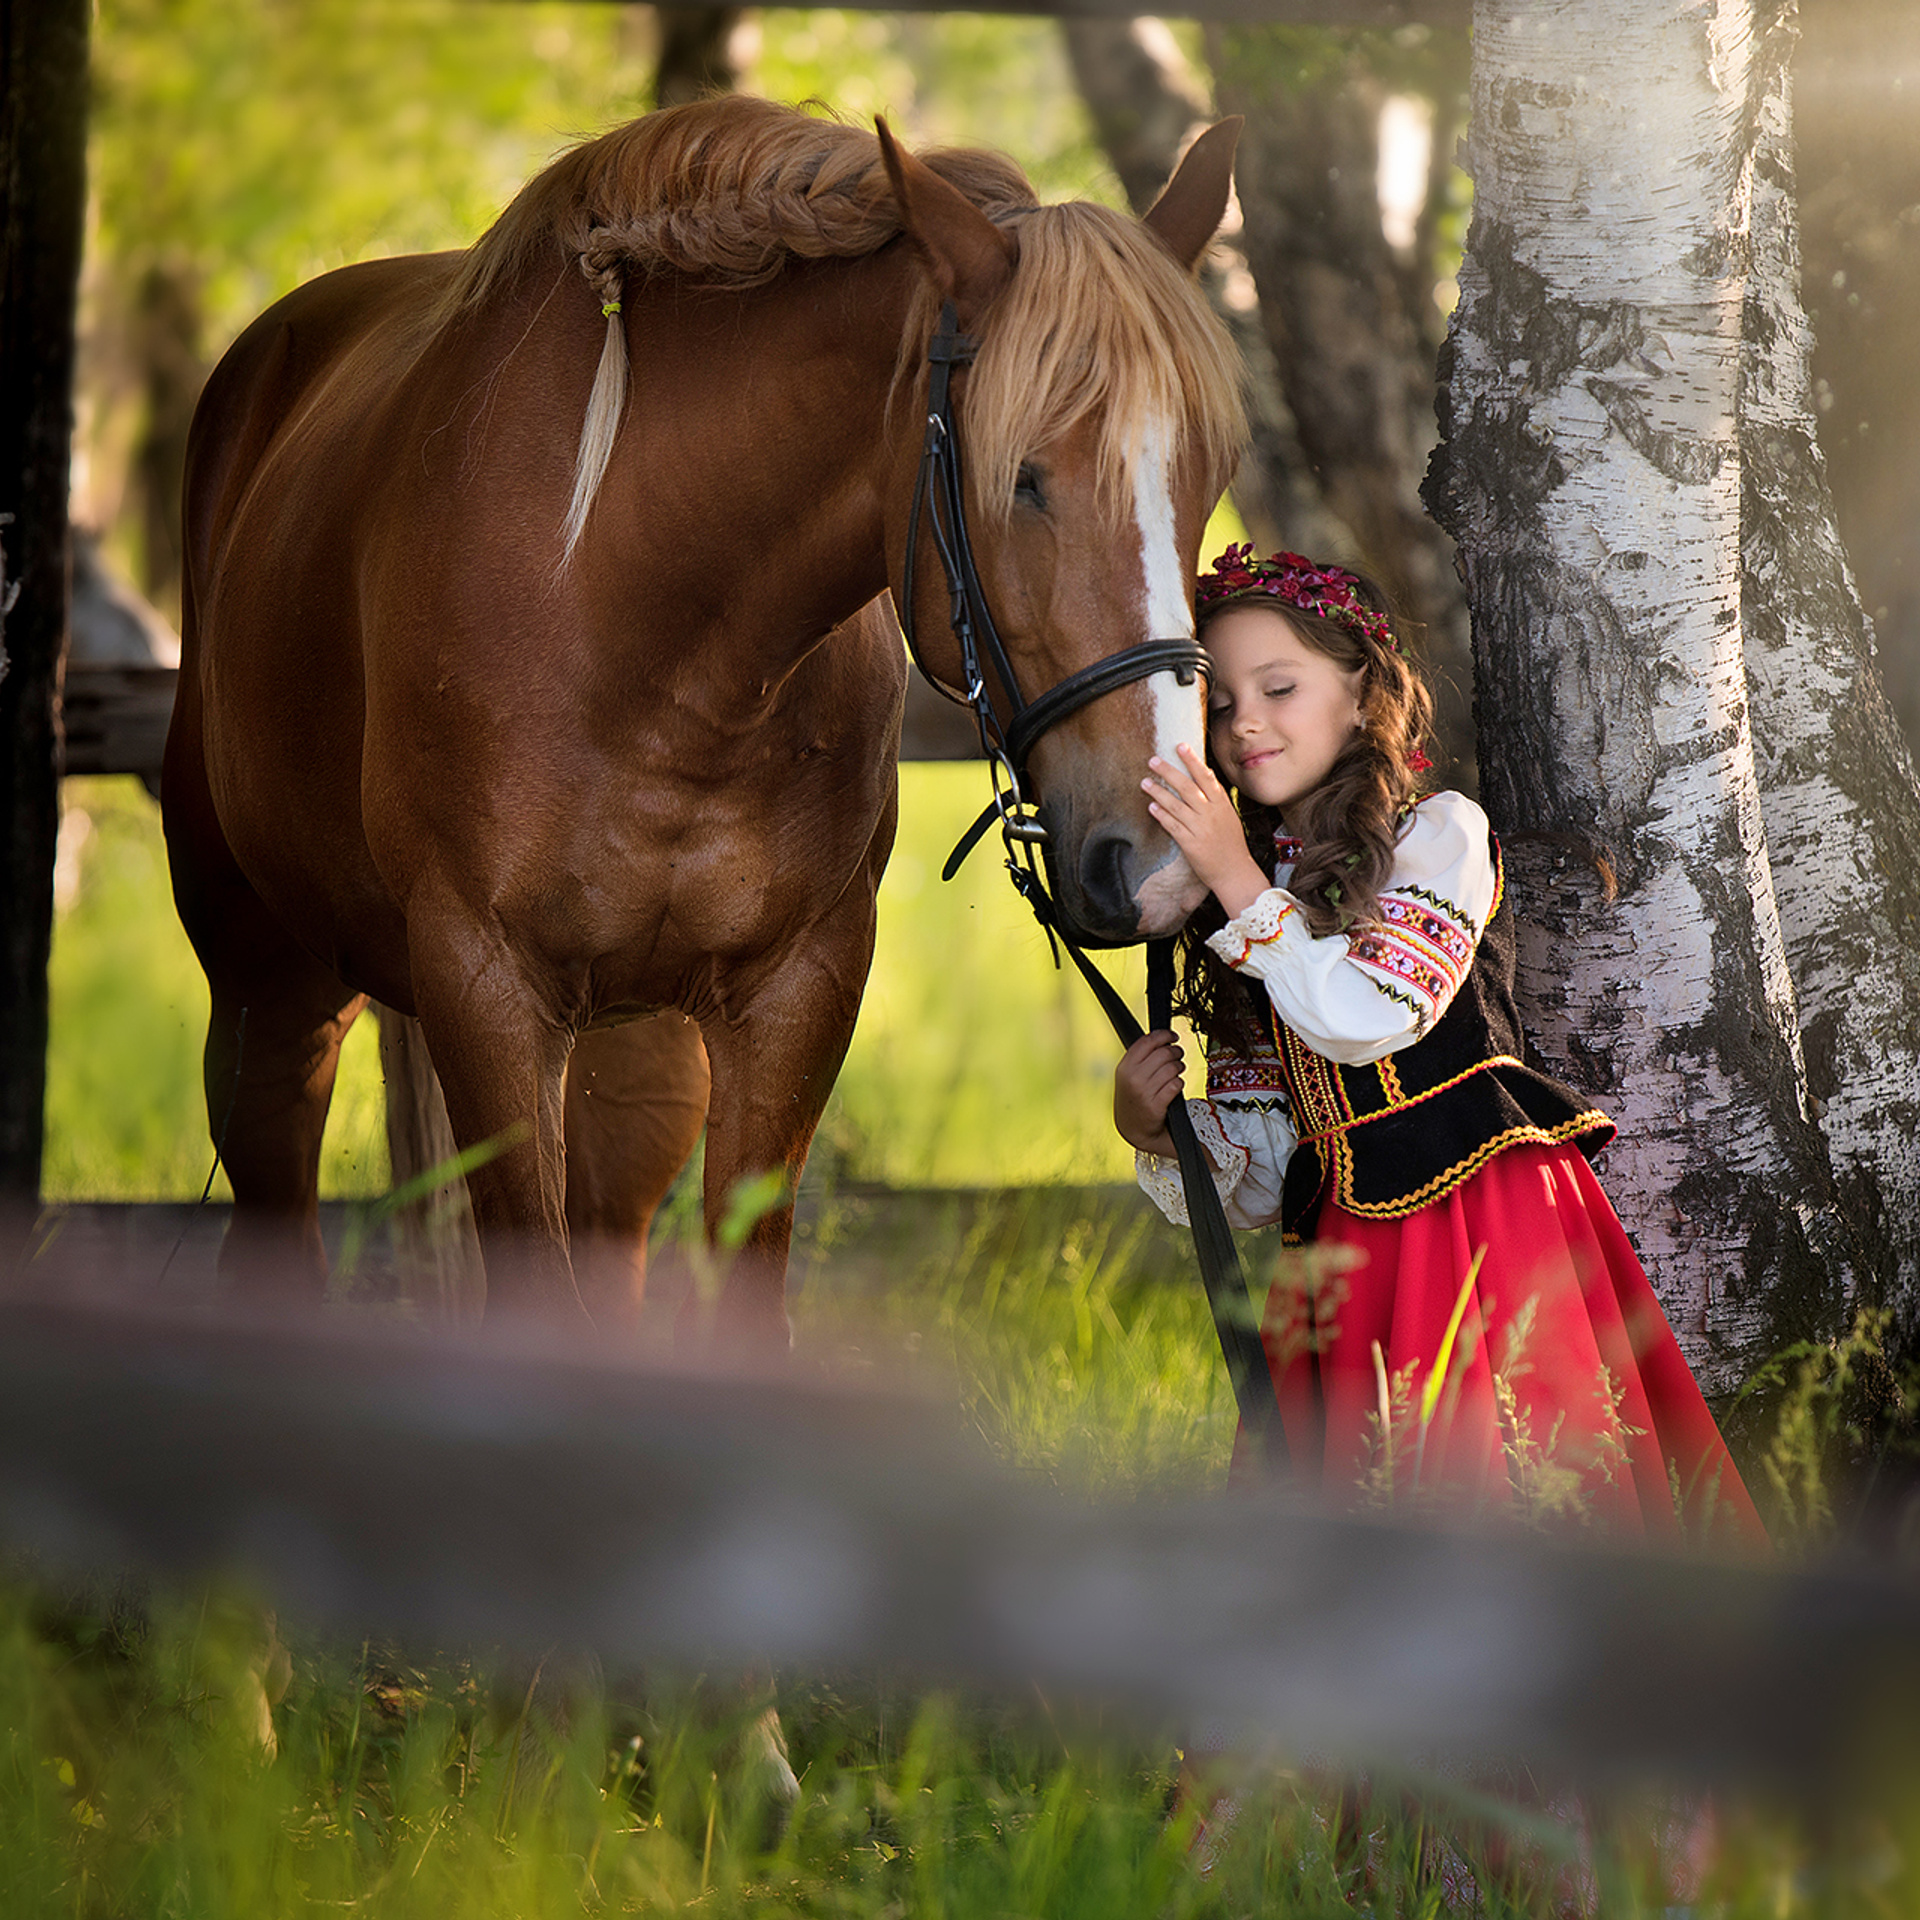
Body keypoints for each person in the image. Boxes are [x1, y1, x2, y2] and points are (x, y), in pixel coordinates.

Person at [1117, 545, 1764, 1543]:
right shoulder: (1252, 903)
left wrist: (1237, 883)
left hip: (1477, 1226)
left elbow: (1368, 1016)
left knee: (1500, 1493)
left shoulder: (1436, 839)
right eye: (1219, 702)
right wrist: (1160, 1128)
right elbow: (1271, 1168)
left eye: (1279, 686)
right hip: (1340, 1262)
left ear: (1362, 692)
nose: (1243, 720)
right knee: (1354, 1531)